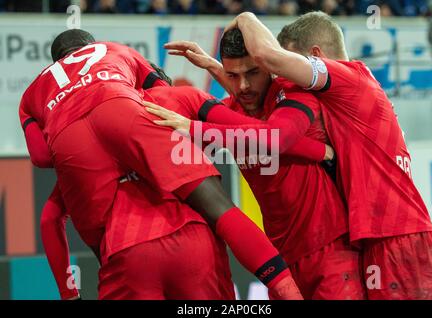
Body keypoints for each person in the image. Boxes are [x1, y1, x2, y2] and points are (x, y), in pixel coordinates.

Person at [20, 29, 301, 299]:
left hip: (120, 243)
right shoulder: (153, 79)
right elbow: (257, 134)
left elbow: (44, 172)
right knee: (219, 207)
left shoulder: (35, 93)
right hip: (195, 242)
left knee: (101, 241)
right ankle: (287, 291)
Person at [212, 11, 432, 299]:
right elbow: (259, 103)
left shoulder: (349, 78)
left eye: (292, 65)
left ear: (315, 56)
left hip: (397, 235)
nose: (285, 81)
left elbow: (267, 57)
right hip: (381, 238)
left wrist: (245, 17)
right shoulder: (346, 96)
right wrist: (216, 69)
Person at [146, 28, 366, 299]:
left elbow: (274, 139)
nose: (243, 87)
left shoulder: (294, 94)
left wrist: (193, 128)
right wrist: (319, 151)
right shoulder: (227, 113)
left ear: (268, 66)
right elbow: (251, 128)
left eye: (252, 73)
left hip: (331, 250)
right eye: (232, 76)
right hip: (281, 260)